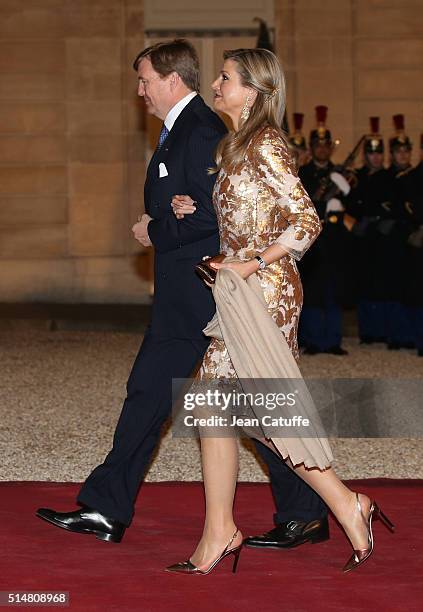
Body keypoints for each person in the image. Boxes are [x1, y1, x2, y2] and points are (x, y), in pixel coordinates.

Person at [166, 48, 393, 576]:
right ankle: (236, 526)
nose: (216, 83)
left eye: (225, 77)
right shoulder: (234, 145)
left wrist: (250, 265)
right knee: (222, 408)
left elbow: (305, 221)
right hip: (240, 290)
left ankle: (333, 504)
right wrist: (195, 209)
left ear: (253, 91)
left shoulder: (265, 142)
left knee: (236, 406)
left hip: (264, 292)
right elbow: (249, 214)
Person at [35, 39, 227, 542]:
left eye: (144, 80)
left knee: (247, 402)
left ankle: (312, 507)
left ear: (171, 79)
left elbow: (213, 217)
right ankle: (105, 507)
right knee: (152, 394)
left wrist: (155, 230)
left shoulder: (201, 130)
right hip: (182, 294)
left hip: (199, 296)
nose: (139, 91)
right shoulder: (177, 131)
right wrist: (169, 216)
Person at [297, 106, 352, 355]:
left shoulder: (339, 174)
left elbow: (354, 206)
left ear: (331, 147)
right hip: (313, 241)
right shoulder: (303, 174)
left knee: (333, 290)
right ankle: (313, 340)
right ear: (312, 147)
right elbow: (300, 204)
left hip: (335, 240)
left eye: (325, 144)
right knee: (313, 290)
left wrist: (342, 199)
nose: (322, 148)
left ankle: (333, 340)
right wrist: (321, 203)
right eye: (317, 145)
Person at [347, 117, 392, 344]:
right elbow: (350, 204)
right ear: (366, 155)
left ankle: (382, 331)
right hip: (363, 238)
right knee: (364, 284)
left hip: (383, 238)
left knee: (383, 284)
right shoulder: (358, 177)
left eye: (378, 153)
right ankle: (367, 332)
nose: (375, 157)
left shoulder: (390, 177)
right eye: (371, 153)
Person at [385, 114, 415, 350]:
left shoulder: (415, 176)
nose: (402, 155)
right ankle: (396, 334)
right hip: (392, 240)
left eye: (406, 151)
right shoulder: (386, 178)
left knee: (413, 288)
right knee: (394, 287)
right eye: (398, 151)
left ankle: (411, 334)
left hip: (413, 239)